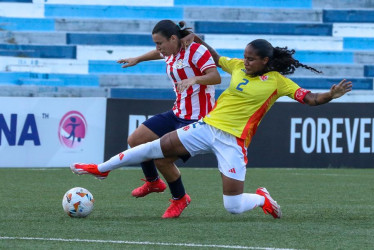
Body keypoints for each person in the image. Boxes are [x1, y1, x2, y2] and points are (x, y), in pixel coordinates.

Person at [71, 38, 352, 219]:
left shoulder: (278, 81)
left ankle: (260, 198)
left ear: (265, 61)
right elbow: (216, 58)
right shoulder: (239, 67)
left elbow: (311, 99)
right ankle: (102, 168)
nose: (246, 61)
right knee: (151, 149)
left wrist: (330, 95)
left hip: (234, 142)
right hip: (206, 127)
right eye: (245, 56)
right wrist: (198, 40)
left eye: (252, 58)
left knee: (232, 207)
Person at [113, 20, 220, 218]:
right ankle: (153, 182)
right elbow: (158, 54)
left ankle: (180, 199)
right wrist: (138, 59)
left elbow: (215, 77)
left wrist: (194, 79)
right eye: (155, 43)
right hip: (177, 113)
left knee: (162, 160)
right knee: (135, 140)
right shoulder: (170, 51)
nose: (157, 48)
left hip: (197, 121)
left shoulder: (195, 50)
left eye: (159, 43)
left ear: (173, 38)